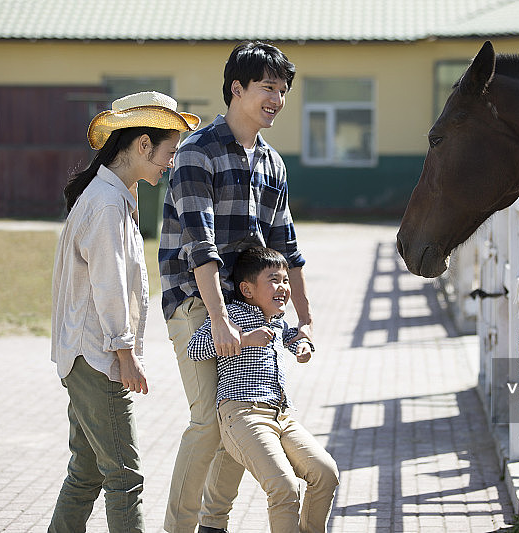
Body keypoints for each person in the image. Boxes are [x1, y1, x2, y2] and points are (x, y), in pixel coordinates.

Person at [159, 41, 313, 533]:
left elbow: (286, 247)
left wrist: (304, 320)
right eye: (268, 88)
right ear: (237, 89)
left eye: (283, 91)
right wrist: (221, 320)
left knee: (242, 415)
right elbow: (199, 245)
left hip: (244, 304)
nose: (277, 99)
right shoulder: (197, 151)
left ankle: (212, 525)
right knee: (210, 424)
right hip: (196, 302)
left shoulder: (272, 163)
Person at [49, 91, 200, 533]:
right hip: (97, 359)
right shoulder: (107, 204)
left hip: (86, 357)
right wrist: (125, 354)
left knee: (87, 472)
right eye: (169, 151)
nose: (171, 163)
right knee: (124, 477)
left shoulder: (111, 197)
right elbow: (109, 285)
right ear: (143, 145)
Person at [187, 247, 339, 533]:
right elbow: (194, 349)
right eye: (274, 280)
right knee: (284, 487)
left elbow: (292, 337)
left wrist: (304, 346)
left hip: (281, 416)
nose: (283, 287)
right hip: (242, 415)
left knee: (326, 473)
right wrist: (244, 339)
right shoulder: (230, 316)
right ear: (247, 289)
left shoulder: (278, 322)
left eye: (285, 280)